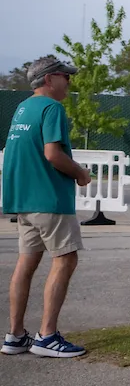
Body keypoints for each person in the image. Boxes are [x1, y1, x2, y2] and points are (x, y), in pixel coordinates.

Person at [2, 56, 92, 358]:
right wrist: (80, 172)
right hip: (50, 199)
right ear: (50, 79)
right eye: (66, 77)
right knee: (65, 260)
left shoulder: (23, 108)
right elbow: (52, 154)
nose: (69, 83)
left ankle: (15, 335)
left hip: (23, 201)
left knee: (26, 264)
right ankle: (47, 336)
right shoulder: (53, 108)